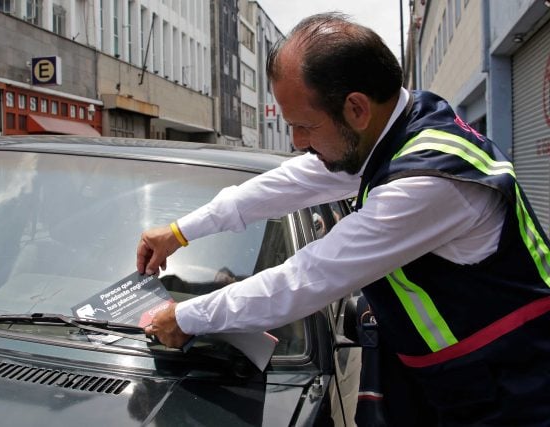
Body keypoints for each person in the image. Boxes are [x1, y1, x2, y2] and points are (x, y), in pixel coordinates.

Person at [136, 12, 550, 426]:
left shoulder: (428, 183)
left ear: (356, 108)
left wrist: (187, 318)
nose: (298, 143)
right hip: (458, 375)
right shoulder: (399, 126)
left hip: (511, 384)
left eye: (305, 126)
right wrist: (180, 231)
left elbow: (305, 279)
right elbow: (294, 181)